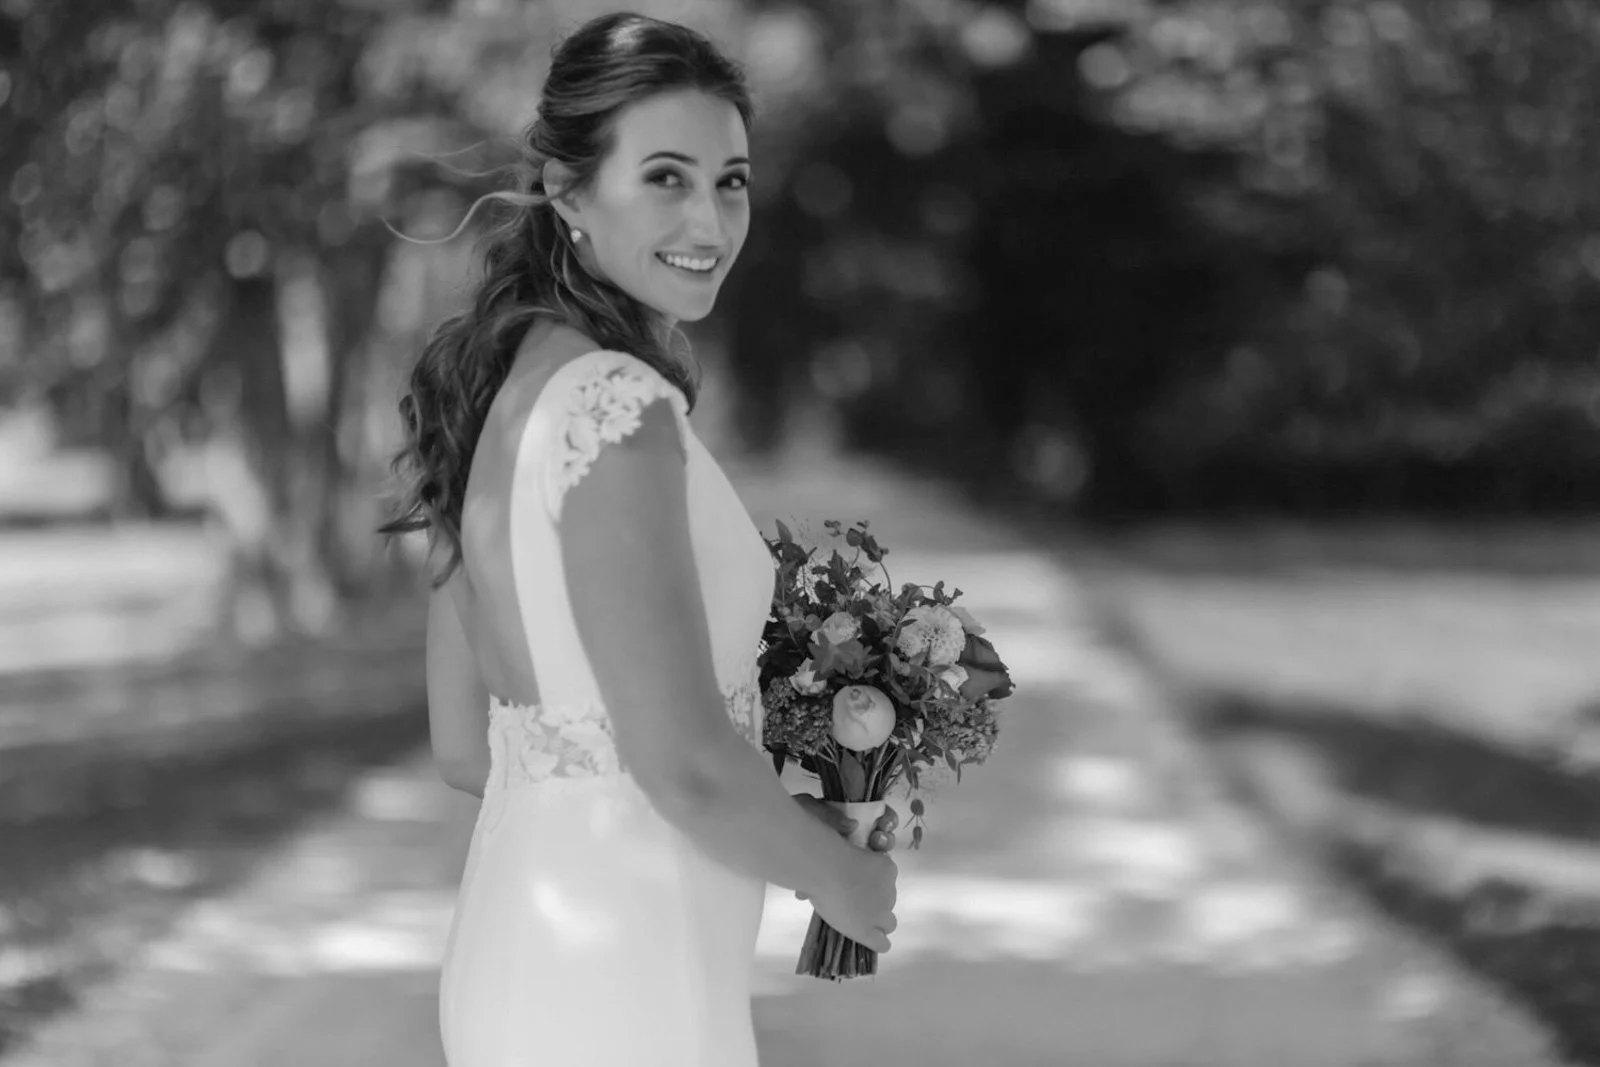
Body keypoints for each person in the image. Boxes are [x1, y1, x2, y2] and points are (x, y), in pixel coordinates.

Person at [379, 12, 898, 1066]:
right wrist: (846, 877)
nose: (709, 217)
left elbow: (466, 746)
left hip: (531, 949)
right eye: (665, 176)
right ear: (567, 191)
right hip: (622, 976)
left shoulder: (497, 390)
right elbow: (680, 763)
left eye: (732, 180)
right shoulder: (617, 405)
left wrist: (777, 816)